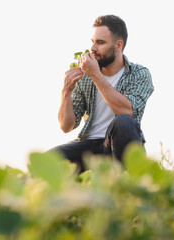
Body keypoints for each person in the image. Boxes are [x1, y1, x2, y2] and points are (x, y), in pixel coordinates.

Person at [50, 15, 154, 172]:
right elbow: (66, 125)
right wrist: (66, 91)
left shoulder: (139, 74)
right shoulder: (85, 75)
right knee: (50, 160)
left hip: (118, 148)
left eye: (100, 43)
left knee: (124, 122)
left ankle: (125, 183)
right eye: (93, 41)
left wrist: (95, 75)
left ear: (118, 45)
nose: (93, 48)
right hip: (89, 146)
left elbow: (127, 111)